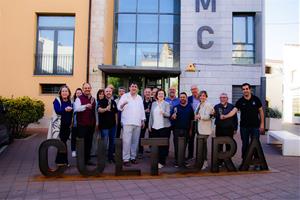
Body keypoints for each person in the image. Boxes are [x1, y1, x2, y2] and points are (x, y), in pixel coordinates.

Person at [221, 83, 265, 162]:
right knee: (245, 144)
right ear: (242, 91)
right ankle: (245, 161)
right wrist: (226, 116)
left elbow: (261, 111)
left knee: (255, 144)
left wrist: (262, 124)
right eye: (243, 89)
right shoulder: (240, 101)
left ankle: (257, 161)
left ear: (250, 89)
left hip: (255, 126)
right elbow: (234, 111)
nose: (245, 90)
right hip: (244, 127)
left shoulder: (256, 99)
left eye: (247, 89)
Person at [118, 83, 146, 166]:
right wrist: (123, 104)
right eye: (132, 86)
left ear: (137, 89)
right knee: (127, 142)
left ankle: (133, 157)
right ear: (129, 88)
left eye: (135, 87)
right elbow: (119, 107)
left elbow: (142, 110)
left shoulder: (139, 97)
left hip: (137, 123)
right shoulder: (125, 96)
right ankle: (126, 159)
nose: (134, 88)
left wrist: (143, 120)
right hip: (127, 122)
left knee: (135, 141)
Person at [74, 83, 96, 165]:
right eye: (85, 88)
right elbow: (76, 109)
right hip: (82, 125)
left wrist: (95, 123)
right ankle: (81, 161)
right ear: (83, 89)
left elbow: (94, 112)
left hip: (90, 125)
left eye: (88, 88)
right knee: (81, 143)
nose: (87, 89)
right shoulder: (78, 99)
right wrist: (85, 106)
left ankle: (87, 160)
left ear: (90, 89)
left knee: (89, 143)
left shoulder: (93, 99)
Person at [148, 89, 171, 168]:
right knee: (155, 145)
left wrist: (163, 113)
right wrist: (149, 125)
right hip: (155, 127)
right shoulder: (154, 103)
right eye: (159, 94)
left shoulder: (167, 104)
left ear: (164, 95)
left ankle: (162, 162)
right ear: (156, 96)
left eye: (162, 94)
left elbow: (168, 115)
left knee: (163, 146)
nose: (161, 95)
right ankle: (155, 160)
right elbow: (151, 116)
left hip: (164, 128)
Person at [170, 92, 194, 167]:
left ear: (186, 98)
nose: (182, 98)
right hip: (176, 130)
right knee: (177, 146)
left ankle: (183, 160)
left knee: (184, 146)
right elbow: (170, 117)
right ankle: (177, 161)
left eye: (184, 97)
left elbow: (192, 120)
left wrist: (190, 130)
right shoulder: (175, 107)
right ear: (179, 98)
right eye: (181, 97)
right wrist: (172, 117)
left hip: (186, 130)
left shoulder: (190, 107)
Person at [214, 93, 238, 162]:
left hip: (229, 129)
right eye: (221, 97)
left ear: (227, 99)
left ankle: (228, 160)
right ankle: (220, 160)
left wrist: (235, 128)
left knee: (229, 145)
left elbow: (235, 118)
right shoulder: (216, 106)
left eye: (224, 97)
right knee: (219, 145)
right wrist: (217, 116)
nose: (222, 99)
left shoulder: (232, 107)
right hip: (219, 128)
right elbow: (214, 115)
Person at [194, 90, 214, 170]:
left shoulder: (208, 105)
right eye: (201, 95)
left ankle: (204, 162)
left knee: (203, 147)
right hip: (199, 128)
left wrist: (199, 117)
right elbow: (196, 113)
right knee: (201, 146)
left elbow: (209, 116)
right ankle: (201, 161)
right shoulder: (199, 104)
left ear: (206, 97)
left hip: (205, 129)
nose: (202, 97)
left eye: (204, 96)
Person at [53, 85, 73, 166]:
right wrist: (65, 109)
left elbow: (72, 113)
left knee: (63, 142)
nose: (64, 93)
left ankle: (60, 161)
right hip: (59, 126)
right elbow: (57, 111)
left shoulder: (70, 101)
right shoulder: (57, 100)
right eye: (63, 91)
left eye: (66, 91)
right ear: (60, 93)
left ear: (68, 93)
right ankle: (63, 161)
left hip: (67, 126)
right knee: (62, 143)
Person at [97, 87, 118, 163]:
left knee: (112, 142)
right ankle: (102, 158)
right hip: (104, 126)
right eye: (107, 91)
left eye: (110, 91)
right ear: (105, 93)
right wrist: (105, 109)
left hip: (113, 126)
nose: (108, 92)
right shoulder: (101, 101)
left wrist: (116, 123)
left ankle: (110, 157)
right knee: (105, 142)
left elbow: (116, 113)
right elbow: (99, 110)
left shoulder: (113, 102)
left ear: (112, 92)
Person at [187, 85, 200, 160]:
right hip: (191, 122)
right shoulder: (189, 99)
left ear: (197, 89)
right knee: (190, 139)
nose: (194, 90)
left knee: (200, 139)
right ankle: (190, 155)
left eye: (195, 89)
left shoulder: (201, 98)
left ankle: (200, 156)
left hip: (200, 122)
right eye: (192, 89)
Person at [138, 87, 153, 158]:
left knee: (152, 136)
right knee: (141, 136)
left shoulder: (154, 102)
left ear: (151, 93)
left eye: (149, 92)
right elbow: (137, 112)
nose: (147, 93)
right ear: (144, 93)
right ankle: (140, 151)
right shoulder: (140, 101)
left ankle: (151, 151)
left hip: (151, 122)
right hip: (142, 122)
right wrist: (144, 111)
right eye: (146, 92)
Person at [71, 88, 82, 158]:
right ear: (75, 94)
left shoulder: (83, 101)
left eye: (80, 93)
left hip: (81, 122)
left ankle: (80, 150)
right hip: (74, 122)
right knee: (73, 137)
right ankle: (73, 150)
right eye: (77, 93)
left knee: (80, 137)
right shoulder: (72, 102)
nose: (79, 94)